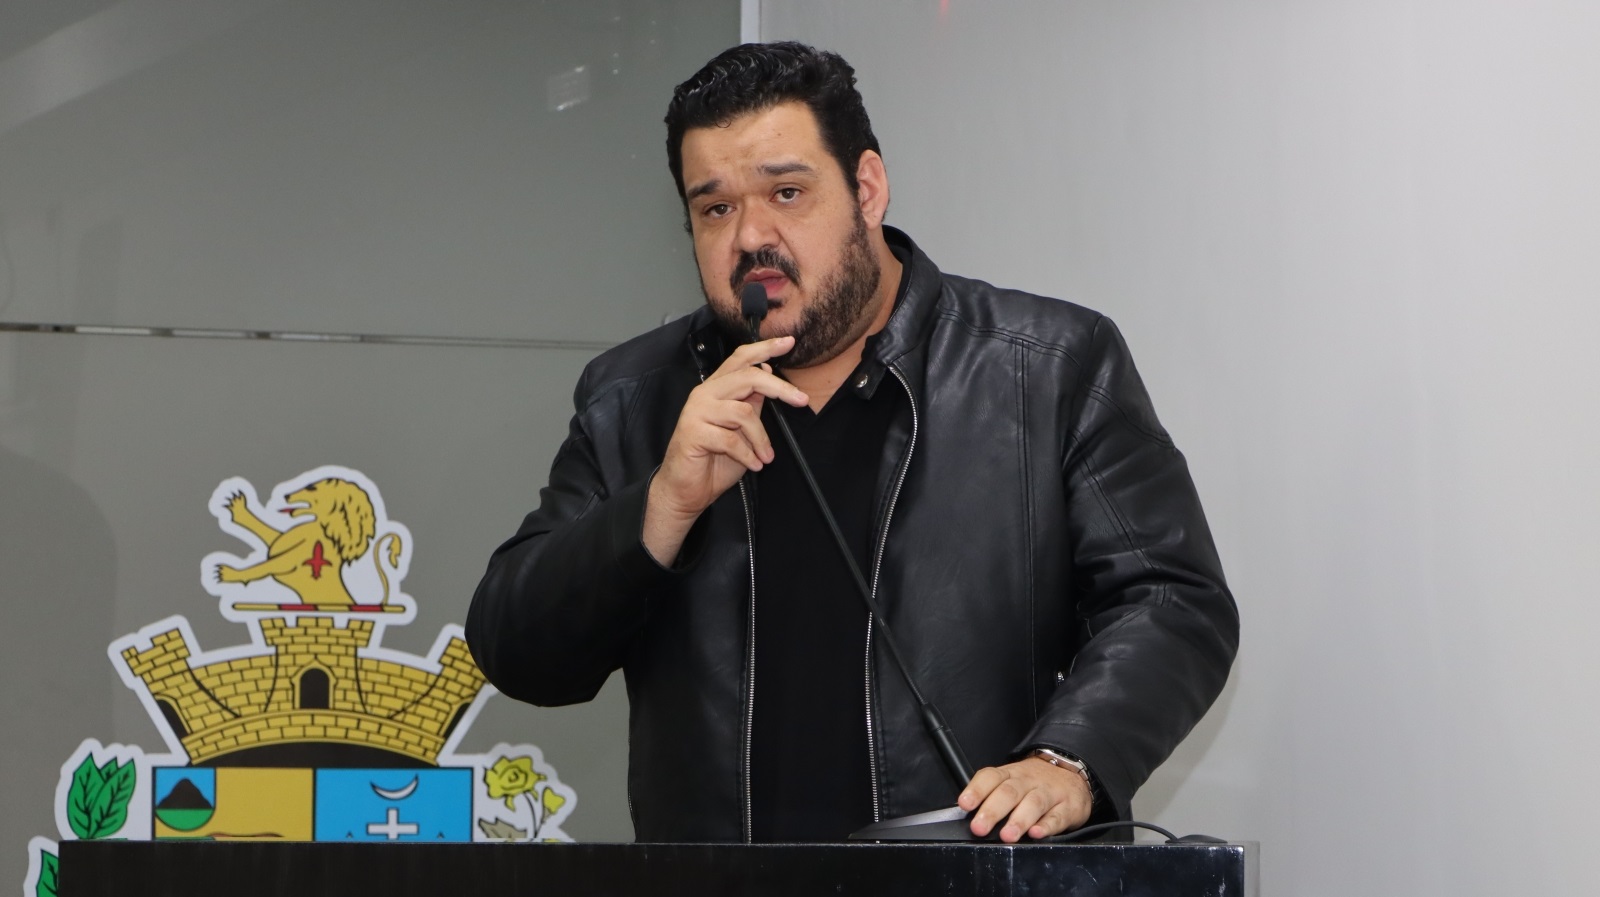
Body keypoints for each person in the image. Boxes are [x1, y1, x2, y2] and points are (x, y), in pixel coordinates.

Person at [466, 41, 1238, 844]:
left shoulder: (1044, 367)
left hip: (972, 874)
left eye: (787, 192)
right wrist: (661, 506)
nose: (751, 238)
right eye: (715, 209)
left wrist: (1068, 760)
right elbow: (516, 649)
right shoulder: (634, 397)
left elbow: (1172, 600)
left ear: (866, 189)